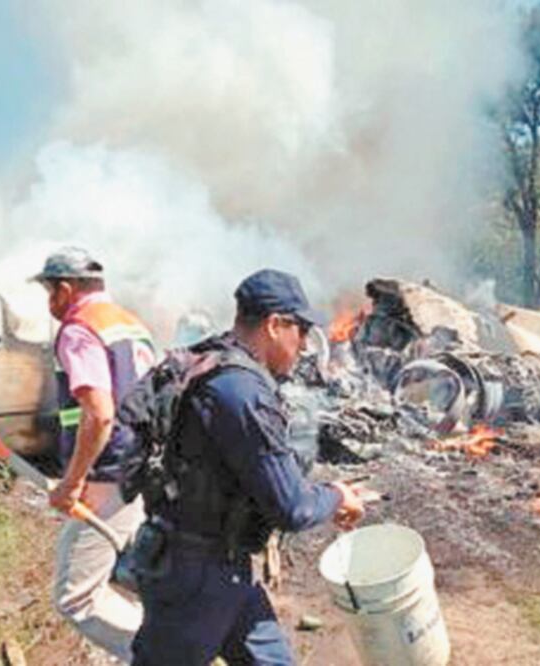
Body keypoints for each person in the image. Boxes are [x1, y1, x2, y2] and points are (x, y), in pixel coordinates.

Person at [132, 268, 371, 666]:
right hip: (195, 576)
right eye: (301, 331)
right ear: (276, 325)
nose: (304, 345)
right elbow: (291, 507)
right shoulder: (241, 391)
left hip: (223, 566)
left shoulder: (214, 361)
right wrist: (337, 496)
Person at [31, 247, 156, 662]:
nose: (50, 302)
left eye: (49, 291)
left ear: (65, 289)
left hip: (108, 475)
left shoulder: (79, 329)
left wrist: (73, 481)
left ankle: (162, 653)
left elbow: (99, 415)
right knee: (124, 577)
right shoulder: (130, 323)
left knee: (76, 597)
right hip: (142, 468)